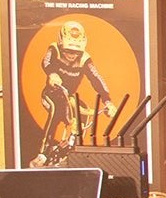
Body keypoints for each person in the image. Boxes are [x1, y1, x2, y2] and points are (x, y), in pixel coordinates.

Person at [31, 20, 114, 165]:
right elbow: (46, 62)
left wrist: (108, 101)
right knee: (56, 110)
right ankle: (43, 154)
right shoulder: (54, 49)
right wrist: (52, 74)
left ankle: (71, 147)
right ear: (61, 44)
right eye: (68, 51)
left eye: (76, 52)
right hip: (51, 94)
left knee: (84, 112)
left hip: (69, 97)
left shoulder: (85, 59)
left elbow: (96, 79)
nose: (71, 55)